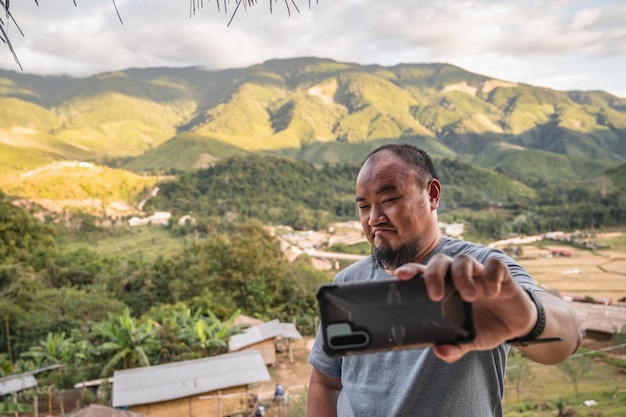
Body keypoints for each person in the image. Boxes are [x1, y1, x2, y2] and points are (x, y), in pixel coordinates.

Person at [307, 144, 582, 417]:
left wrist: (529, 320)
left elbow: (567, 335)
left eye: (389, 200)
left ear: (432, 195)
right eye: (364, 206)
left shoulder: (479, 270)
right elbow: (326, 382)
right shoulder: (347, 282)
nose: (374, 218)